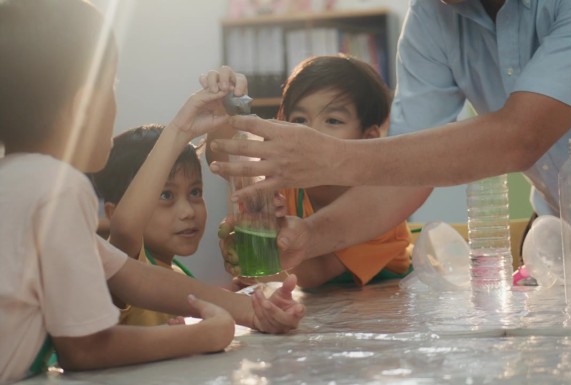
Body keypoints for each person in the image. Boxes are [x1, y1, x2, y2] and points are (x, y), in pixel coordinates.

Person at [208, 0, 571, 273]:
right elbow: (405, 174)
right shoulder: (434, 18)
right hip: (565, 243)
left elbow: (520, 136)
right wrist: (308, 237)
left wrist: (332, 157)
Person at [0, 1, 303, 383]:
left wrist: (250, 311)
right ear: (85, 107)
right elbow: (84, 348)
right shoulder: (57, 189)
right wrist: (199, 335)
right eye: (113, 85)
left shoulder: (18, 184)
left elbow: (134, 277)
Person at [214, 56, 412, 289]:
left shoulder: (383, 210)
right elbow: (224, 158)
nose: (310, 135)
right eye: (299, 120)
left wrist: (261, 254)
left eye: (333, 120)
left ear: (368, 139)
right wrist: (223, 106)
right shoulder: (284, 187)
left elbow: (309, 276)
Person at [90, 124, 210, 325]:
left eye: (195, 192)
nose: (188, 212)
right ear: (114, 213)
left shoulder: (178, 271)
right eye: (166, 195)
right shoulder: (125, 265)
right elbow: (126, 228)